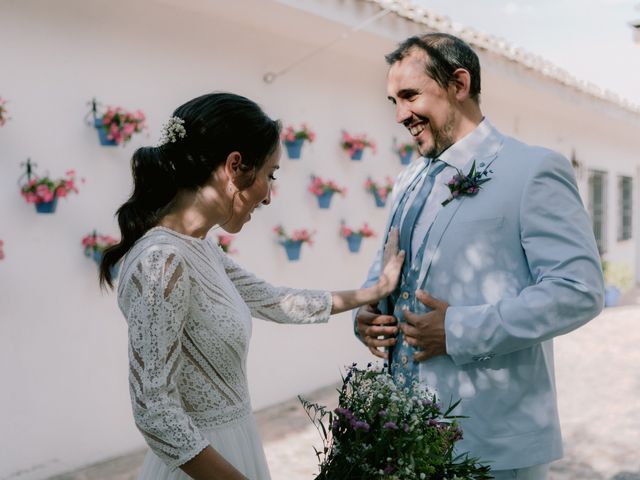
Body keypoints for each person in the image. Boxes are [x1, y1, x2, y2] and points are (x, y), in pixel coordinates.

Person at [99, 92, 405, 480]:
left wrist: (375, 290)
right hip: (201, 468)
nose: (270, 194)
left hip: (234, 447)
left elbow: (275, 301)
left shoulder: (201, 248)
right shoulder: (161, 262)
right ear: (235, 167)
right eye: (270, 174)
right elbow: (155, 411)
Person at [354, 33, 604, 479]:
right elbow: (389, 267)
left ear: (459, 84)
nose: (399, 115)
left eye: (410, 96)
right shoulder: (407, 180)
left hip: (492, 438)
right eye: (393, 100)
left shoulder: (532, 170)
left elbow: (579, 291)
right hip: (406, 434)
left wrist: (457, 329)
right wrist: (371, 312)